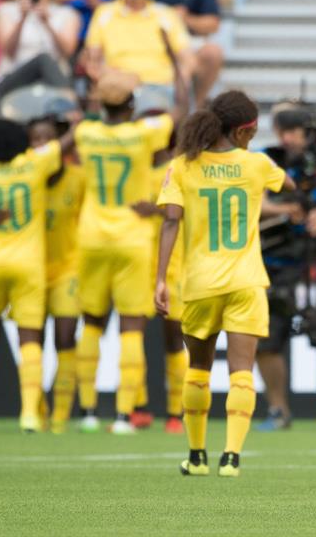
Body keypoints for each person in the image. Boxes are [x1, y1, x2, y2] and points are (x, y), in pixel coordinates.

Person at [155, 90, 296, 477]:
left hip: (199, 282)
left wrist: (159, 280)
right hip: (246, 282)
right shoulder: (256, 164)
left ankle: (197, 456)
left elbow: (170, 220)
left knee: (198, 368)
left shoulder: (183, 166)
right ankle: (232, 457)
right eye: (252, 130)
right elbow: (291, 189)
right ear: (241, 131)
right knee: (241, 371)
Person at [74, 69, 186, 435]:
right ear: (132, 103)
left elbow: (80, 125)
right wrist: (175, 65)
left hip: (91, 235)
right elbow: (179, 112)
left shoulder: (85, 133)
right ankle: (124, 416)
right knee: (130, 329)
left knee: (91, 323)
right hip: (132, 238)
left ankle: (88, 412)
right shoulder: (142, 134)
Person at [0, 117, 75, 433]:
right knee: (29, 338)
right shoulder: (34, 165)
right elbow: (66, 143)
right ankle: (29, 414)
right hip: (27, 263)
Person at [255, 103, 316, 433]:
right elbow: (258, 201)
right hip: (276, 259)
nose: (288, 138)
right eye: (283, 131)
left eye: (293, 131)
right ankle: (278, 410)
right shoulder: (267, 159)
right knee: (266, 337)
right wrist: (285, 210)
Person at [26, 103, 84, 434]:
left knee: (64, 337)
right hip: (32, 270)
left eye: (48, 138)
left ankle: (61, 415)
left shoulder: (79, 179)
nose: (41, 145)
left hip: (68, 269)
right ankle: (37, 411)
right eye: (35, 139)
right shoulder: (26, 175)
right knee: (33, 341)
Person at [130, 143, 188, 434]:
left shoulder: (180, 170)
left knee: (173, 338)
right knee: (133, 332)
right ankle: (137, 407)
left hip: (174, 263)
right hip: (138, 261)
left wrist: (154, 209)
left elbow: (185, 213)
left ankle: (176, 413)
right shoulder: (134, 170)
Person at [0, 0, 81, 110]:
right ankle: (70, 103)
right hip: (14, 77)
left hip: (51, 80)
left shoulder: (66, 14)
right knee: (42, 60)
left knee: (44, 61)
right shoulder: (5, 10)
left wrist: (47, 23)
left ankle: (67, 102)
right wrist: (22, 18)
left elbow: (68, 51)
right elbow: (8, 51)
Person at [84, 0, 192, 88]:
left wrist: (179, 85)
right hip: (118, 86)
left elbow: (187, 58)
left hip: (161, 85)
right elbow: (93, 59)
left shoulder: (166, 14)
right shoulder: (104, 13)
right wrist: (106, 74)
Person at [152, 0, 223, 107]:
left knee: (211, 53)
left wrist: (185, 18)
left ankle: (196, 108)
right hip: (152, 38)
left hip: (189, 39)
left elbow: (213, 23)